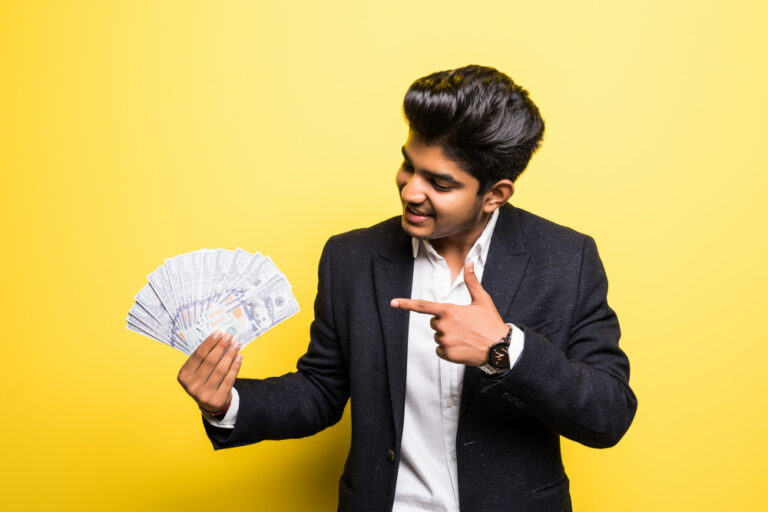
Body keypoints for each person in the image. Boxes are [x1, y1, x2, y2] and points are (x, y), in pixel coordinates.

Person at [177, 64, 637, 512]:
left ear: (495, 194)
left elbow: (609, 414)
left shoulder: (566, 258)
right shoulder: (350, 257)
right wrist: (228, 405)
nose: (410, 190)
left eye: (439, 183)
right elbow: (320, 389)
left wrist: (503, 349)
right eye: (408, 165)